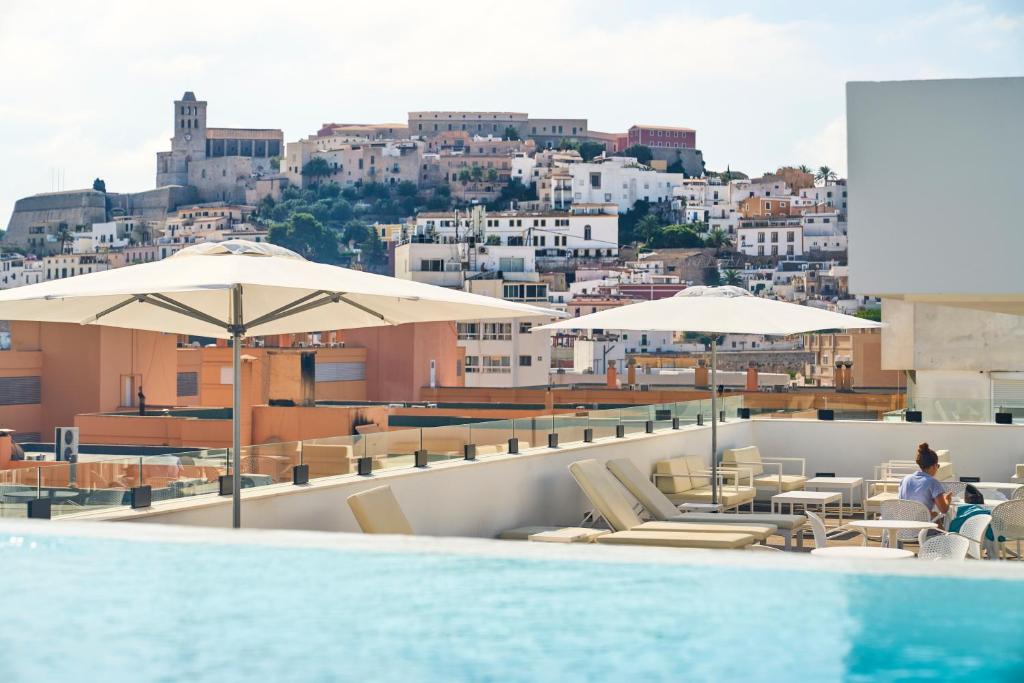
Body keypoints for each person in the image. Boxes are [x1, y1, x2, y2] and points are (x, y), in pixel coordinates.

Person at [897, 442, 951, 517]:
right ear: (933, 466)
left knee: (934, 516)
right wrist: (947, 500)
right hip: (923, 525)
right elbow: (943, 510)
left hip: (905, 524)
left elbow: (903, 503)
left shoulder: (905, 479)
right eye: (937, 466)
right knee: (936, 517)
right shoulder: (933, 482)